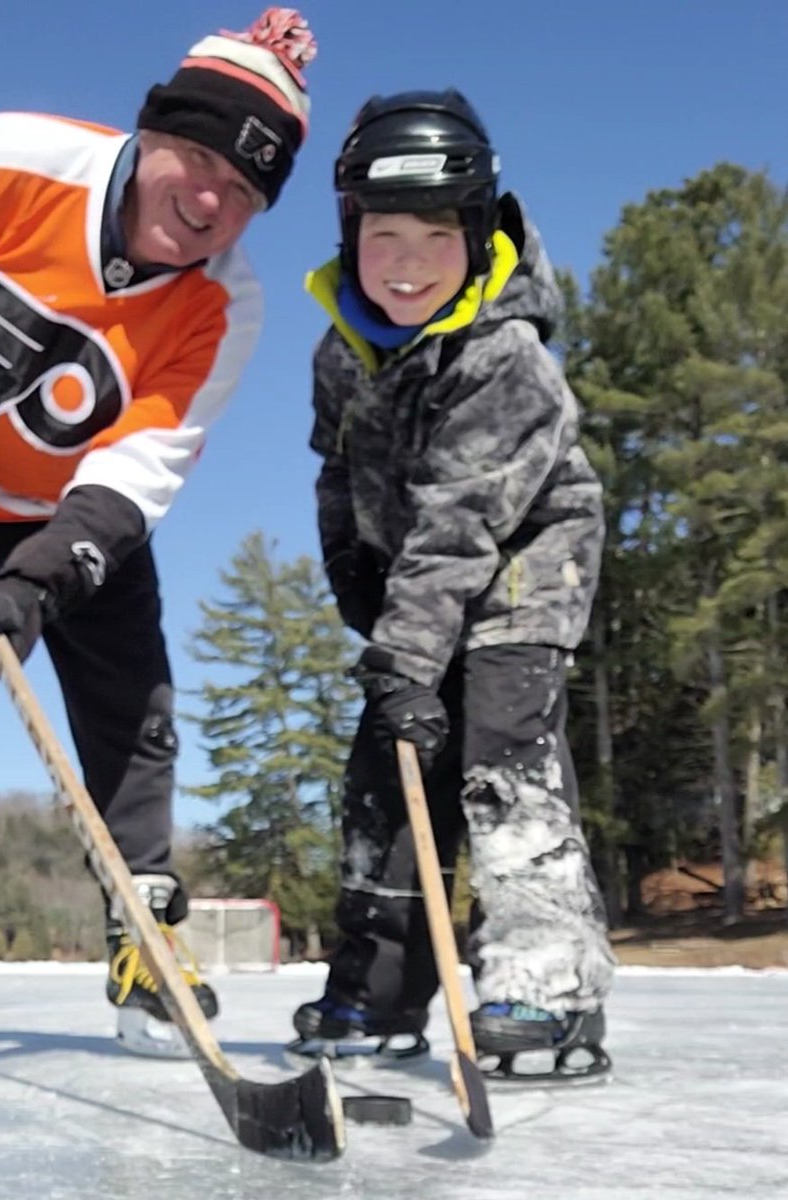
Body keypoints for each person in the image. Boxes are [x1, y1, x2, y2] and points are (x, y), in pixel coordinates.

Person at [0, 8, 317, 1044]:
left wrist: (41, 580)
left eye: (248, 189)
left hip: (68, 516)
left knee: (136, 707)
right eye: (198, 158)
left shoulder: (229, 306)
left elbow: (143, 465)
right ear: (152, 133)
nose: (213, 197)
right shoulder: (4, 161)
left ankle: (144, 931)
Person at [289, 89, 616, 1082]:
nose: (406, 262)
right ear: (352, 232)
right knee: (385, 779)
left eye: (435, 235)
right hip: (416, 581)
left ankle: (547, 985)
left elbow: (464, 523)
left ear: (476, 235)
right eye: (384, 233)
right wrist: (352, 568)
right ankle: (379, 992)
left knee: (501, 759)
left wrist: (403, 656)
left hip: (521, 569)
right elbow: (338, 469)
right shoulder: (340, 351)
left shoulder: (506, 356)